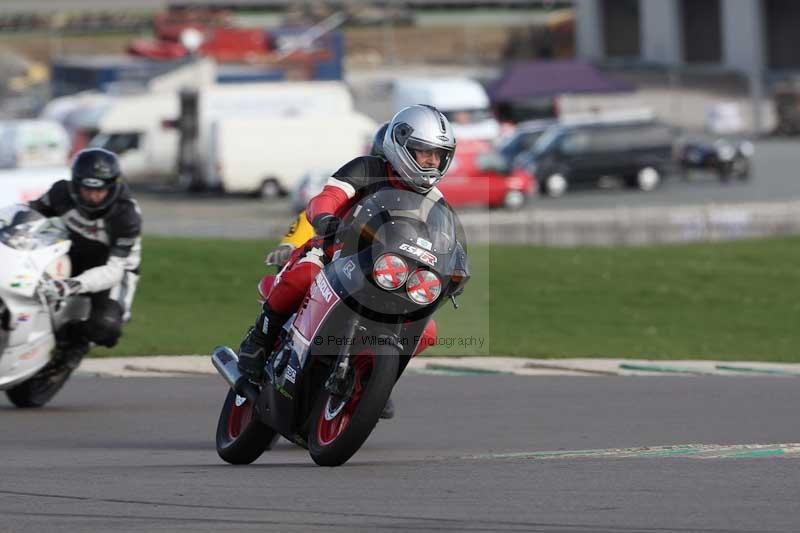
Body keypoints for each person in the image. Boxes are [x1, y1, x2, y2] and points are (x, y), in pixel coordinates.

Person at [238, 106, 455, 412]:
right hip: (333, 253)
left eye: (439, 155)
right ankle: (258, 340)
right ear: (402, 144)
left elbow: (445, 244)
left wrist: (453, 271)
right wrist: (326, 218)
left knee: (427, 331)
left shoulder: (436, 201)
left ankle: (375, 381)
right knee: (305, 275)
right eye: (425, 152)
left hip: (385, 274)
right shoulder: (367, 168)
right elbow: (326, 197)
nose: (433, 162)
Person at [28, 148, 142, 380]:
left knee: (107, 326)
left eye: (99, 189)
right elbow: (29, 214)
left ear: (112, 185)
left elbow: (113, 270)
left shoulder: (125, 215)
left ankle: (75, 346)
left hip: (115, 267)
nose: (93, 196)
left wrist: (71, 285)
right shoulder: (61, 192)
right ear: (76, 183)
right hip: (73, 249)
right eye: (87, 188)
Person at [265, 122, 390, 269]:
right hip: (345, 257)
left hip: (397, 264)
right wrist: (291, 244)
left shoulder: (420, 196)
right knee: (303, 275)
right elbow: (319, 210)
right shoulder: (359, 184)